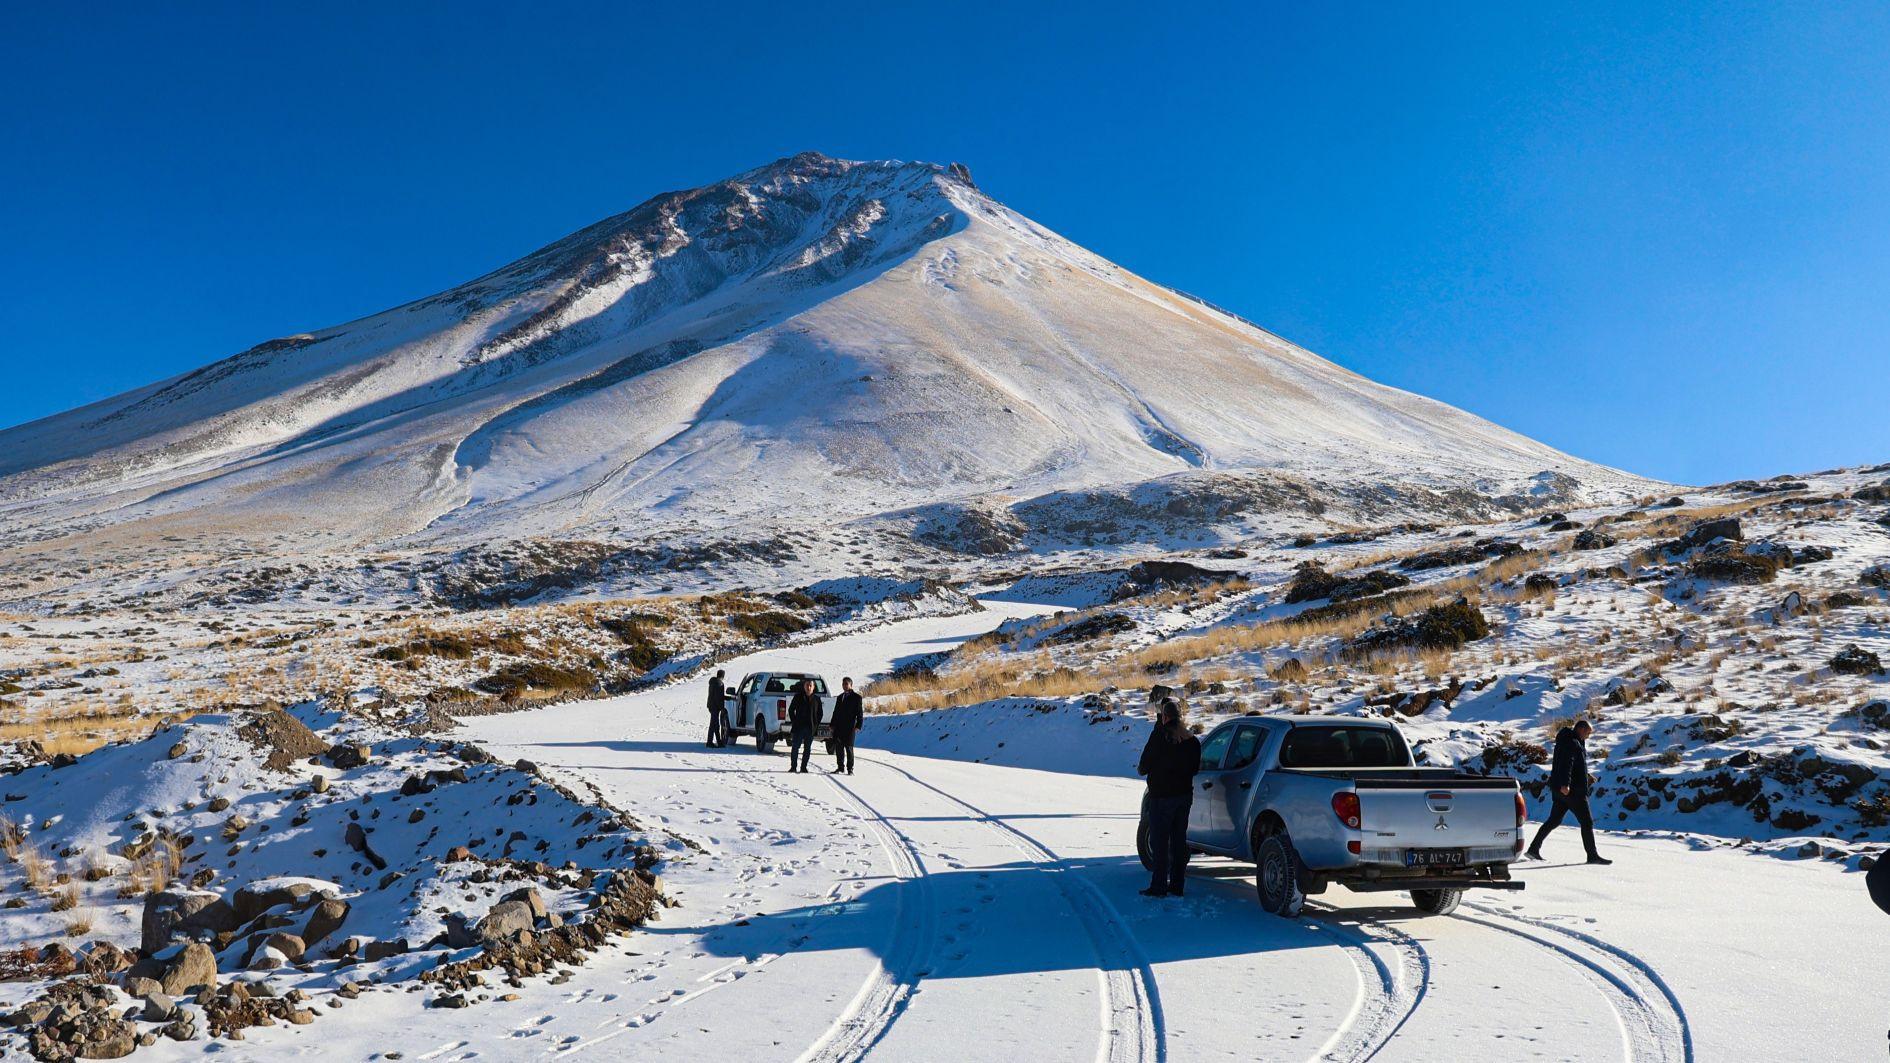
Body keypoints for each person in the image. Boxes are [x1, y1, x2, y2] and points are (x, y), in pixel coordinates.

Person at [1136, 698, 1201, 897]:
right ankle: (1177, 885)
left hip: (1161, 797)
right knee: (1179, 842)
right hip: (1184, 797)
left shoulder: (1159, 736)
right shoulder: (1192, 740)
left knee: (1160, 842)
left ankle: (1159, 886)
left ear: (1164, 717)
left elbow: (1143, 766)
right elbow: (1195, 769)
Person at [1526, 718, 1612, 865]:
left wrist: (1585, 775)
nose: (1588, 736)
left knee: (1554, 820)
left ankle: (1533, 849)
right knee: (1587, 821)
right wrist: (1565, 784)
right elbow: (1567, 764)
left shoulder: (1567, 740)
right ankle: (1592, 856)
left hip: (1561, 790)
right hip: (1572, 791)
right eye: (1588, 733)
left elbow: (1570, 764)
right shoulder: (1572, 743)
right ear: (1581, 729)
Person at [787, 678, 822, 773]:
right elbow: (791, 710)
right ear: (804, 686)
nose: (809, 687)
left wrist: (815, 724)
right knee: (795, 747)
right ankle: (793, 767)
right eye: (807, 685)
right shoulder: (798, 697)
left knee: (807, 749)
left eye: (811, 685)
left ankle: (803, 767)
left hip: (810, 728)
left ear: (814, 687)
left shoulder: (817, 699)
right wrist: (794, 721)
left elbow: (820, 714)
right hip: (798, 727)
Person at [831, 677, 864, 774]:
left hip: (850, 727)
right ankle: (840, 767)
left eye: (846, 684)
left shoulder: (857, 698)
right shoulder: (840, 697)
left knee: (849, 748)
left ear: (851, 685)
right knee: (839, 748)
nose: (844, 685)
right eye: (843, 684)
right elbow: (835, 712)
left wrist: (858, 725)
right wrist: (832, 724)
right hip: (838, 727)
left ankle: (850, 769)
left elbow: (860, 714)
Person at [706, 670, 728, 748]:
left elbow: (715, 695)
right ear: (722, 676)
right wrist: (722, 707)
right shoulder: (719, 683)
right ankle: (709, 742)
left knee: (715, 724)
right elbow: (718, 697)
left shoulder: (713, 682)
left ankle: (718, 741)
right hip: (715, 707)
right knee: (713, 724)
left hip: (711, 706)